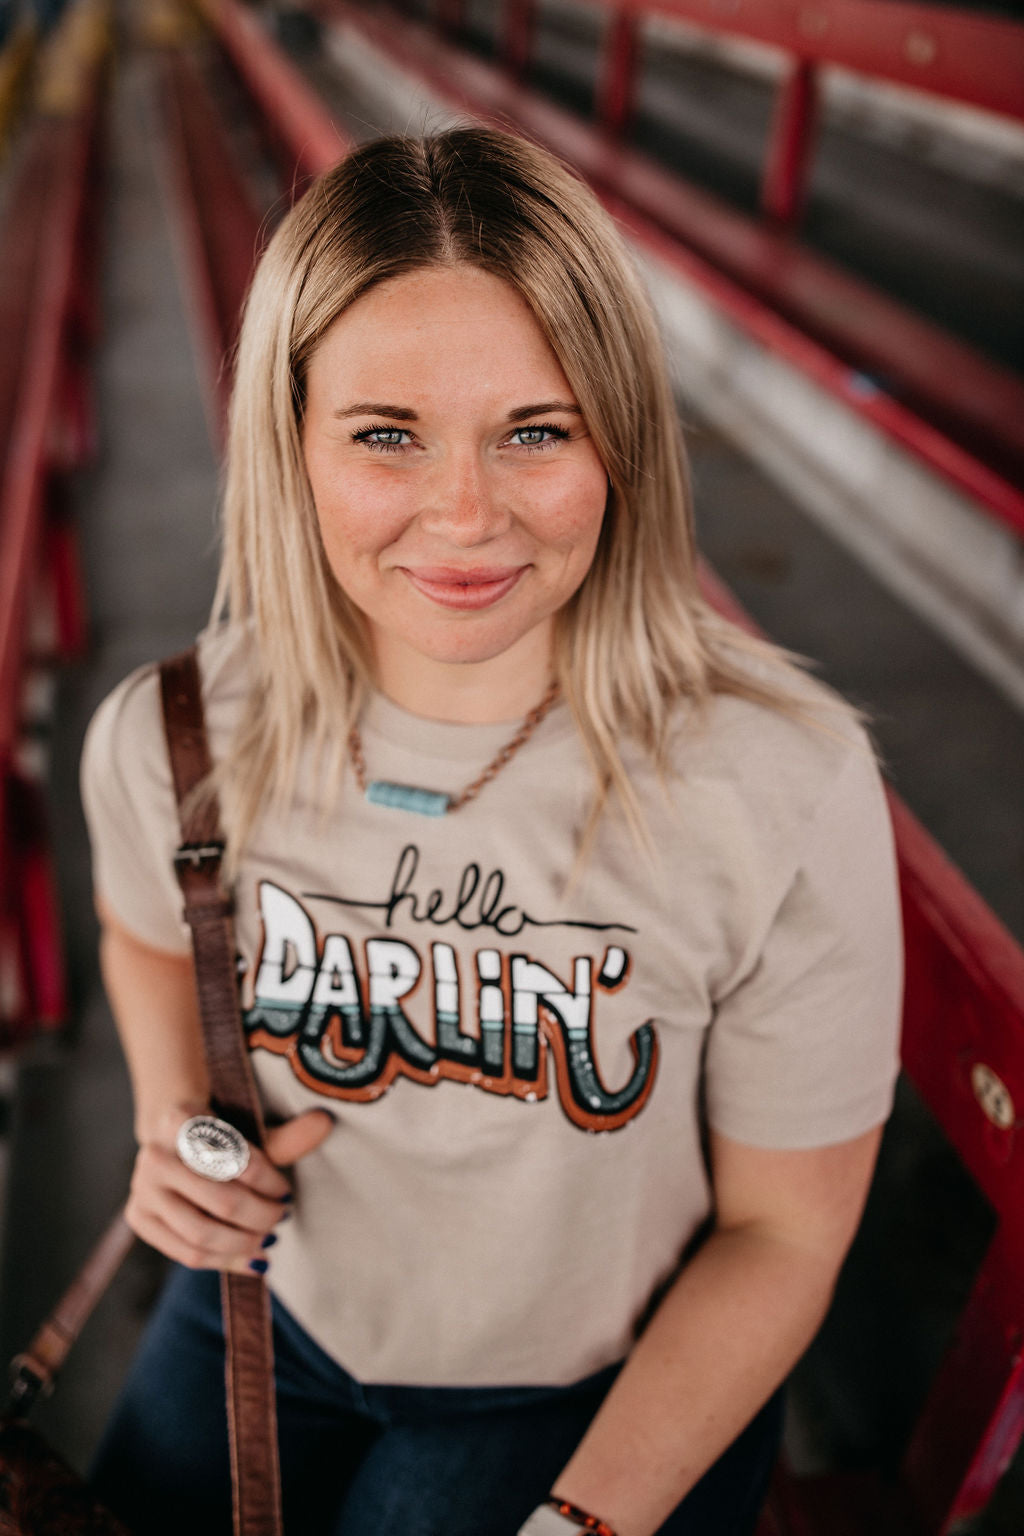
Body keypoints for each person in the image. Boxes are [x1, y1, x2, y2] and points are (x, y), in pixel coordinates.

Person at [81, 127, 903, 1536]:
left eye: (537, 429)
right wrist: (179, 1119)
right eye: (386, 436)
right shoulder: (175, 734)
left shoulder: (777, 781)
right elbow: (149, 937)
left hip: (585, 1379)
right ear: (291, 445)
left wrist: (585, 1522)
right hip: (265, 1311)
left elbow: (786, 1233)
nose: (465, 516)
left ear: (622, 438)